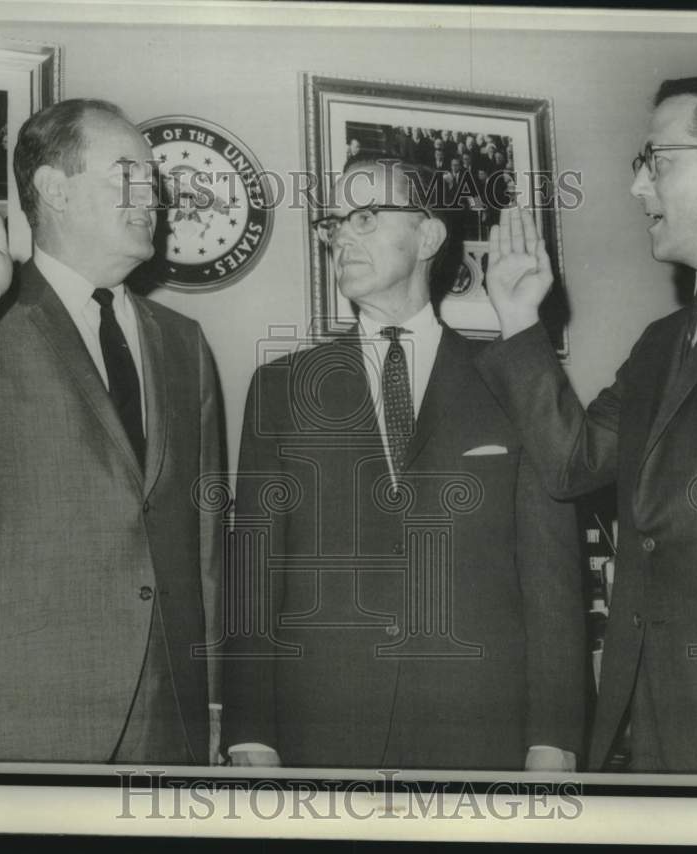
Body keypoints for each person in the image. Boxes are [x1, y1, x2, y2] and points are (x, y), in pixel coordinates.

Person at [477, 74, 697, 773]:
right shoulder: (660, 342)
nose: (639, 188)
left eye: (657, 162)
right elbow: (572, 463)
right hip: (653, 725)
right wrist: (518, 317)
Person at [222, 157, 585, 771]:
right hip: (322, 732)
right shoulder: (281, 387)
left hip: (480, 731)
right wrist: (250, 733)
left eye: (364, 216)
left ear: (427, 236)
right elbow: (254, 576)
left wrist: (555, 737)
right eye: (334, 222)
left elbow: (551, 577)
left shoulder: (514, 382)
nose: (341, 234)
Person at [0, 98, 225, 765]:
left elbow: (204, 542)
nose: (156, 194)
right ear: (54, 188)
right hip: (17, 716)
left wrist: (209, 702)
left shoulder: (183, 342)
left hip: (165, 722)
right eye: (129, 173)